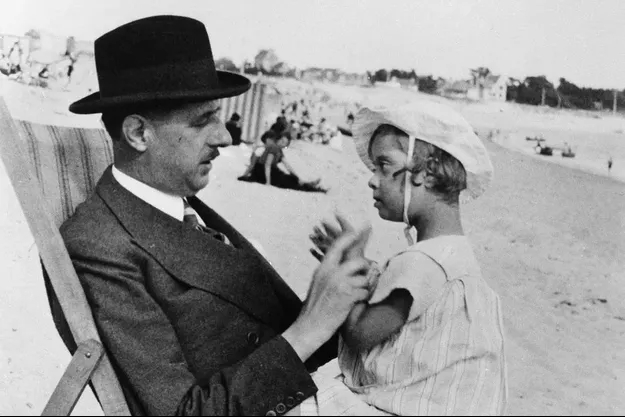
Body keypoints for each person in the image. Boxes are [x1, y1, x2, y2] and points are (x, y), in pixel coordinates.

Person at [62, 15, 372, 416]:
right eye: (202, 121)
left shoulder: (181, 204)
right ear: (138, 133)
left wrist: (344, 290)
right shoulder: (100, 246)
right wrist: (310, 327)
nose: (224, 136)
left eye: (218, 116)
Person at [306, 102, 508, 415]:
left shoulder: (422, 262)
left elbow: (360, 334)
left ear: (425, 174)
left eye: (383, 166)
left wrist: (351, 267)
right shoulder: (452, 254)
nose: (373, 179)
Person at [238, 130, 326, 193]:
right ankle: (309, 187)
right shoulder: (274, 147)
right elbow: (267, 164)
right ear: (278, 139)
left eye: (285, 143)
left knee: (290, 179)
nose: (283, 144)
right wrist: (268, 182)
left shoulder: (279, 150)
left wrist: (297, 177)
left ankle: (305, 184)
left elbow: (287, 165)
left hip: (269, 170)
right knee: (287, 182)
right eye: (282, 141)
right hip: (262, 171)